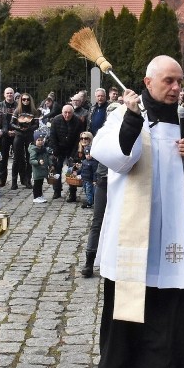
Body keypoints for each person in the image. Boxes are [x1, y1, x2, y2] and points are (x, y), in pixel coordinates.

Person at [92, 55, 184, 368]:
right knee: (126, 306)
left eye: (180, 81)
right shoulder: (125, 114)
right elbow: (113, 158)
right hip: (133, 233)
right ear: (148, 83)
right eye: (169, 81)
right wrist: (133, 119)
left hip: (174, 233)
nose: (177, 88)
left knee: (174, 311)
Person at [80, 102, 118, 278]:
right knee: (97, 221)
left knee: (120, 222)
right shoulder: (102, 134)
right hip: (104, 180)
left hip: (122, 182)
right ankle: (89, 261)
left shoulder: (131, 132)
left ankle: (118, 260)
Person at [48, 104, 83, 202]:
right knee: (56, 170)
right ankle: (57, 190)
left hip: (72, 147)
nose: (67, 115)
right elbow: (52, 137)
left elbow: (78, 140)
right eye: (65, 113)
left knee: (73, 170)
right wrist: (56, 151)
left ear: (73, 113)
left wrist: (73, 154)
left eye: (69, 113)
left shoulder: (78, 121)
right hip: (59, 148)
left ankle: (72, 193)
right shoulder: (56, 120)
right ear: (62, 112)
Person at [10, 93, 39, 190]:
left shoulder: (34, 111)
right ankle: (14, 182)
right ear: (20, 100)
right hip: (19, 135)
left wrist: (29, 128)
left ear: (30, 101)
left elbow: (37, 124)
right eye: (24, 99)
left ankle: (28, 181)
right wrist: (19, 128)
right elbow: (12, 123)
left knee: (29, 158)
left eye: (27, 99)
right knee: (16, 159)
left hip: (29, 135)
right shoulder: (17, 110)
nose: (26, 101)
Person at [0, 87, 17, 187]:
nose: (9, 95)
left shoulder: (18, 105)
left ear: (13, 94)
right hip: (4, 135)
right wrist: (5, 132)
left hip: (16, 133)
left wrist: (15, 131)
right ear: (4, 94)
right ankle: (1, 179)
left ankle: (20, 180)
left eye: (11, 93)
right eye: (7, 93)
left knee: (19, 158)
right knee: (3, 158)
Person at [29, 129, 51, 203]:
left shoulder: (43, 149)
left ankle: (40, 195)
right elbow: (31, 160)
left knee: (40, 183)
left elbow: (47, 157)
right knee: (37, 184)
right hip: (37, 170)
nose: (40, 142)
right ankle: (36, 196)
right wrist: (38, 162)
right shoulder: (34, 150)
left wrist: (51, 164)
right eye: (38, 140)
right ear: (35, 141)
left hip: (43, 169)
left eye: (41, 140)